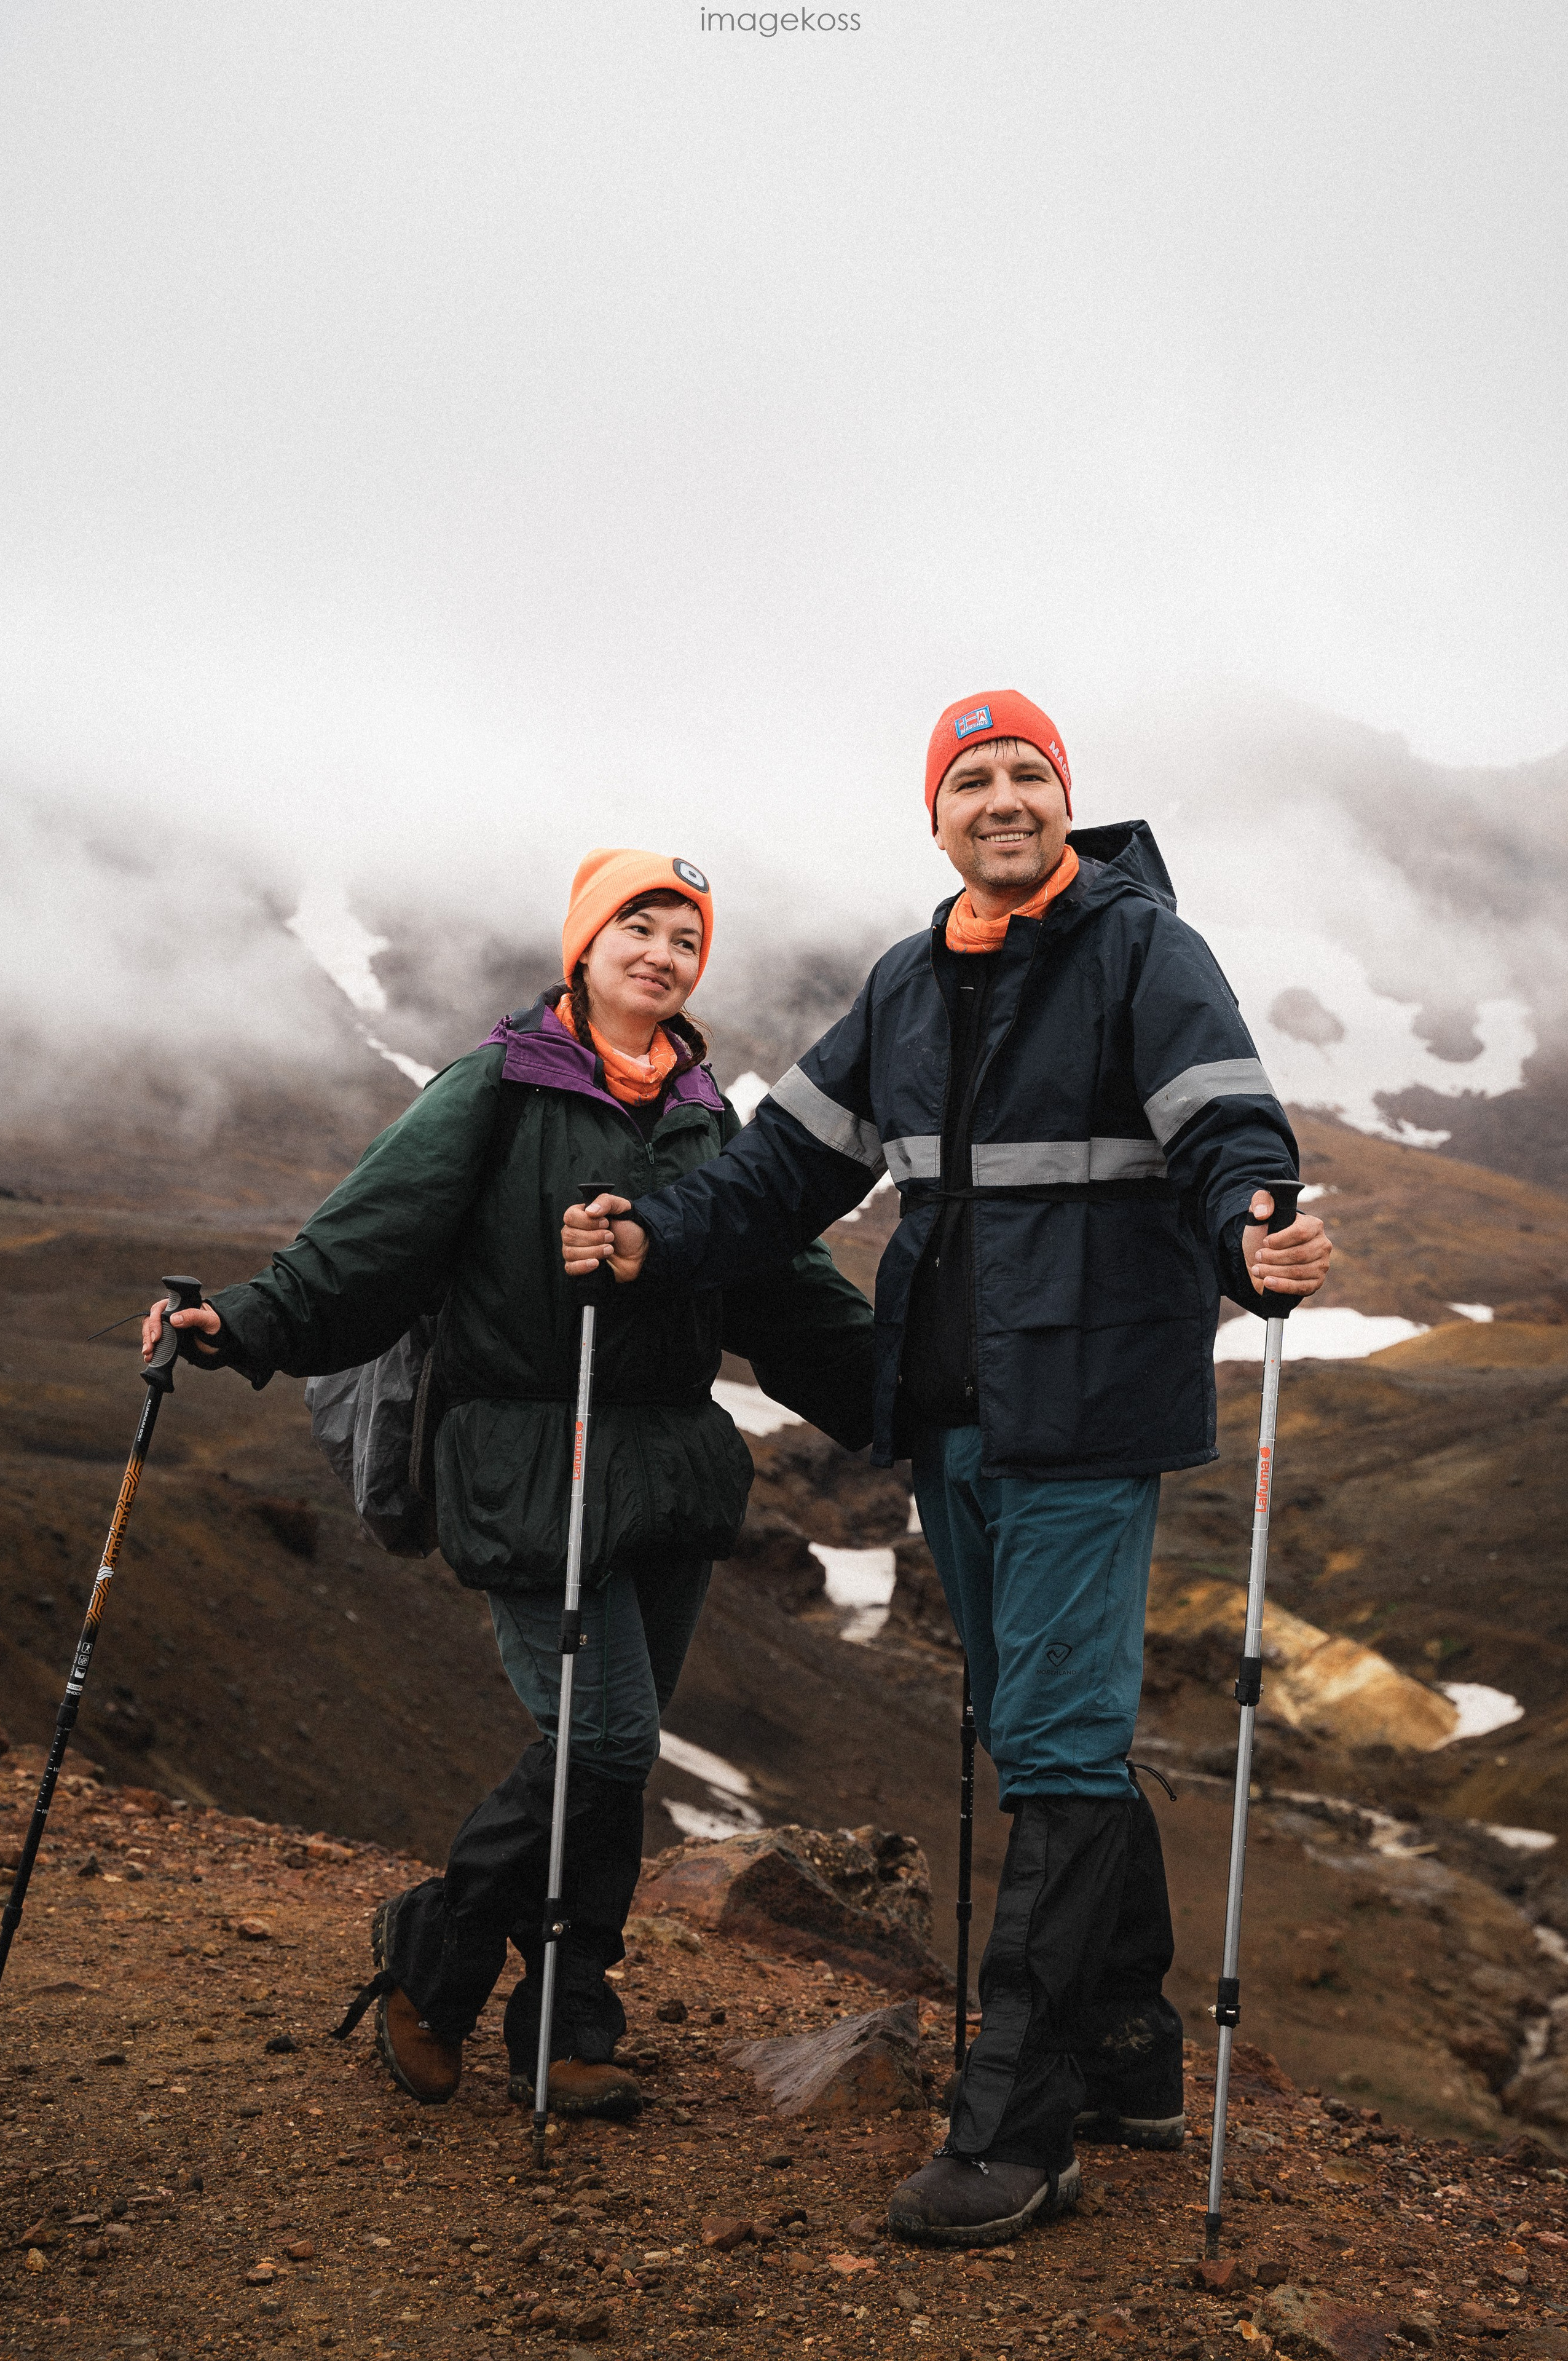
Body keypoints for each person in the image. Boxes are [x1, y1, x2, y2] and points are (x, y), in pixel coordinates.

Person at [561, 692, 1333, 2244]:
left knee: (1049, 1740)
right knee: (1039, 1727)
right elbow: (783, 1171)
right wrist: (653, 1235)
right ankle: (1127, 2056)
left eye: (1024, 775)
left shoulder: (1143, 952)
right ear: (934, 818)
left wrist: (1260, 1232)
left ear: (1065, 799)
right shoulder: (906, 984)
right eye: (969, 780)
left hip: (1089, 1408)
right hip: (955, 1415)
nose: (1000, 799)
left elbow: (1221, 1133)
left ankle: (1018, 2126)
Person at [141, 847, 873, 2119]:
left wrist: (903, 1392)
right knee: (605, 1735)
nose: (660, 953)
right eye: (636, 928)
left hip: (664, 1469)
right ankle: (436, 1954)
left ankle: (569, 2024)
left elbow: (782, 1289)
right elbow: (368, 1241)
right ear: (582, 947)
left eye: (682, 938)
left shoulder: (705, 1115)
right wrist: (243, 1321)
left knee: (608, 1757)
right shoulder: (498, 1086)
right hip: (530, 1462)